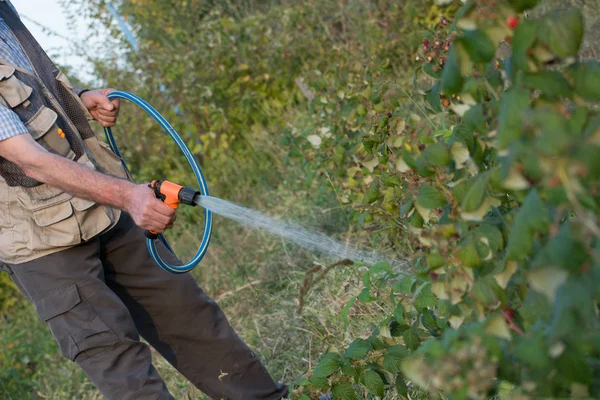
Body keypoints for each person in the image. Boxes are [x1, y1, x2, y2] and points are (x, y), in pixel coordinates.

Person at [0, 2, 288, 399]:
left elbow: (33, 96)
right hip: (43, 245)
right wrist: (130, 197)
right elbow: (31, 162)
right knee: (120, 363)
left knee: (189, 316)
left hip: (102, 202)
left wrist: (80, 99)